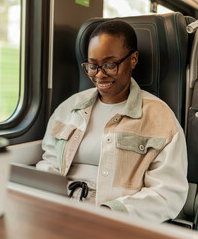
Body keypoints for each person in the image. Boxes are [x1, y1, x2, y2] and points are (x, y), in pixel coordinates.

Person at [36, 20, 188, 223]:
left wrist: (110, 213)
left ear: (133, 59)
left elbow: (167, 195)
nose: (99, 75)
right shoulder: (69, 108)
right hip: (60, 212)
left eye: (109, 65)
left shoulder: (160, 118)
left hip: (114, 222)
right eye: (92, 66)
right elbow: (50, 162)